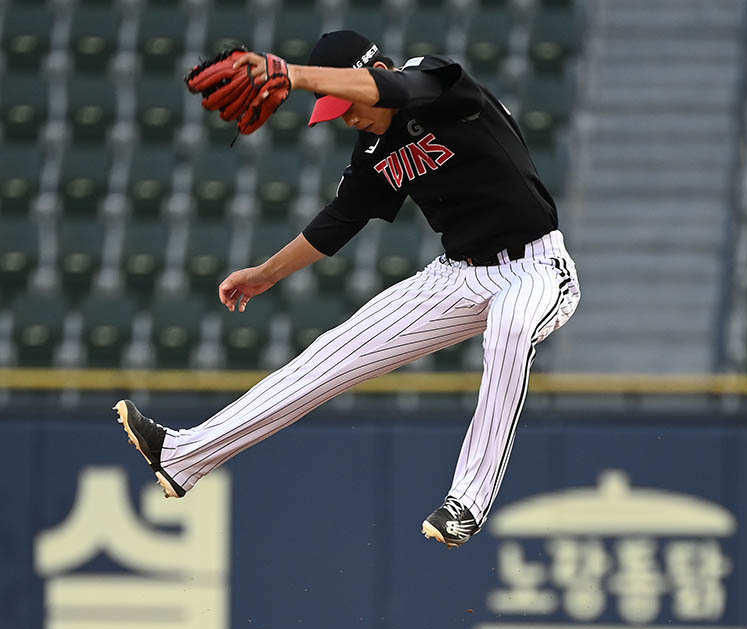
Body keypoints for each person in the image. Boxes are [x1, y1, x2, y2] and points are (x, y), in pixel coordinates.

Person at [115, 30, 580, 548]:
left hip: (536, 268)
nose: (348, 116)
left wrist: (291, 74)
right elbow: (341, 217)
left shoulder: (438, 85)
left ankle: (467, 501)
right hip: (457, 276)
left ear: (376, 71)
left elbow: (400, 90)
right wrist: (267, 273)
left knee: (511, 329)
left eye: (349, 103)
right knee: (331, 355)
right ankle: (187, 455)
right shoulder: (375, 148)